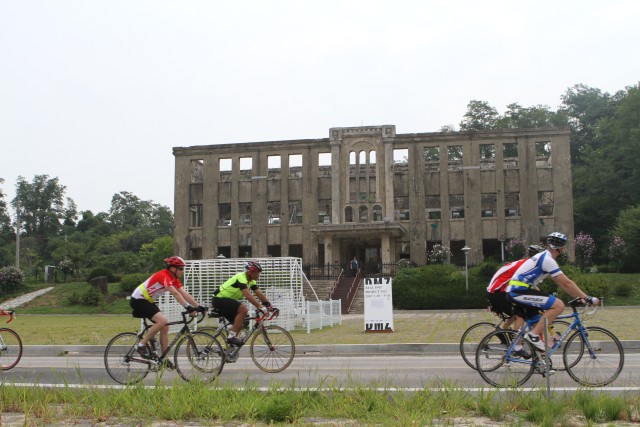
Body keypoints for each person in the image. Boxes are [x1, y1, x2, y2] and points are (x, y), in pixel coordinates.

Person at [508, 232, 600, 351]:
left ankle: (540, 363)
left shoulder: (545, 257)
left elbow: (563, 284)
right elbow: (566, 283)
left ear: (548, 244)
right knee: (558, 305)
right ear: (561, 248)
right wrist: (587, 298)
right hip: (519, 291)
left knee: (538, 323)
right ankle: (533, 336)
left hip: (520, 290)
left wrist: (580, 297)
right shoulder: (547, 260)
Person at [130, 256, 205, 359]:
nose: (182, 271)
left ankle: (164, 358)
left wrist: (198, 306)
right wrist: (188, 307)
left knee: (165, 326)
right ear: (172, 268)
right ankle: (141, 345)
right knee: (162, 321)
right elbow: (175, 293)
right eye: (180, 269)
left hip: (147, 300)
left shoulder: (174, 278)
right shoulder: (164, 275)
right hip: (138, 299)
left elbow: (184, 293)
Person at [211, 260, 272, 346]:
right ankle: (231, 337)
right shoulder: (241, 277)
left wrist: (269, 305)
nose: (259, 275)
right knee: (243, 309)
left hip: (227, 301)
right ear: (250, 272)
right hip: (219, 299)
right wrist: (260, 307)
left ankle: (229, 348)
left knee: (240, 324)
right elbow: (247, 295)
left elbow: (259, 294)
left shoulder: (251, 281)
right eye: (257, 273)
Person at [486, 244, 545, 330]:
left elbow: (527, 283)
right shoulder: (526, 265)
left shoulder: (523, 263)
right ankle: (516, 341)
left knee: (516, 313)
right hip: (497, 292)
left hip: (496, 291)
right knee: (520, 315)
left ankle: (503, 333)